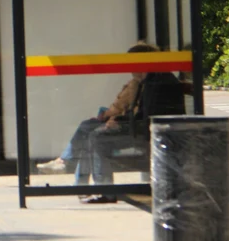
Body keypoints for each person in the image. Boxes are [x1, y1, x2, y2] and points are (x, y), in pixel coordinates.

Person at [37, 41, 170, 203]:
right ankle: (81, 181)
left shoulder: (151, 83)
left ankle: (99, 187)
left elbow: (144, 116)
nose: (130, 69)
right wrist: (118, 120)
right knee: (89, 129)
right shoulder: (146, 81)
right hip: (136, 127)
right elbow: (137, 113)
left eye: (133, 64)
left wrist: (118, 121)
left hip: (144, 133)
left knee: (95, 137)